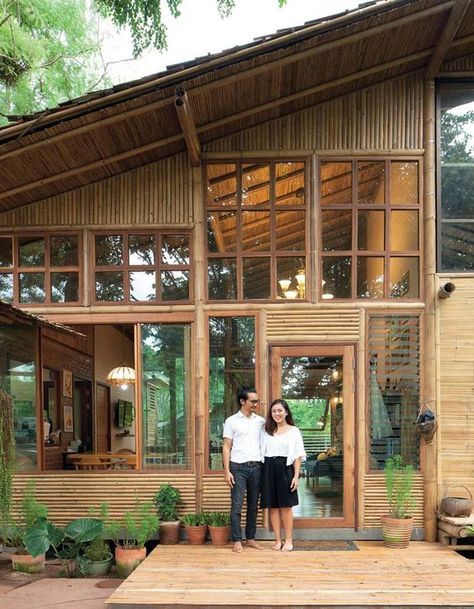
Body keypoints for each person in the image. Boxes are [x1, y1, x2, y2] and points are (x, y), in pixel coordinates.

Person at [222, 386, 265, 553]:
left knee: (254, 506)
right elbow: (226, 447)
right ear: (243, 401)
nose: (256, 404)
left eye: (257, 401)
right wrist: (227, 471)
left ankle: (251, 538)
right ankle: (237, 540)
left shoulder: (260, 422)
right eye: (253, 401)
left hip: (257, 467)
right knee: (237, 505)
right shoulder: (231, 421)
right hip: (238, 467)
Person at [260, 398, 306, 552]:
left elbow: (298, 455)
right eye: (274, 411)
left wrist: (295, 476)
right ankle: (278, 540)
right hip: (268, 468)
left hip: (285, 468)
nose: (277, 413)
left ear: (286, 412)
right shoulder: (266, 431)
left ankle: (289, 540)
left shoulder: (294, 431)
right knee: (272, 507)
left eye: (280, 410)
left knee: (286, 506)